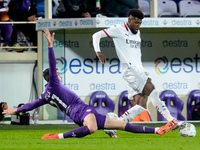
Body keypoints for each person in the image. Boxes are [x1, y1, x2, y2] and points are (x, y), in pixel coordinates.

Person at [3, 29, 177, 139]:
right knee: (92, 128)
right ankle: (58, 136)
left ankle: (158, 131)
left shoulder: (46, 95)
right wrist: (50, 46)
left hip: (80, 113)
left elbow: (31, 105)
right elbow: (52, 63)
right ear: (54, 76)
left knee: (122, 125)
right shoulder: (53, 85)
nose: (59, 74)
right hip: (80, 110)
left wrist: (15, 110)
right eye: (57, 73)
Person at [92, 9, 186, 137]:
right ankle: (171, 120)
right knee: (153, 91)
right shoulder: (118, 29)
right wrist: (98, 52)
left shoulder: (137, 31)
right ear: (129, 20)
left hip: (138, 70)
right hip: (131, 70)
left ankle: (113, 125)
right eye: (136, 22)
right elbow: (96, 35)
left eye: (140, 23)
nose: (138, 26)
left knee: (141, 105)